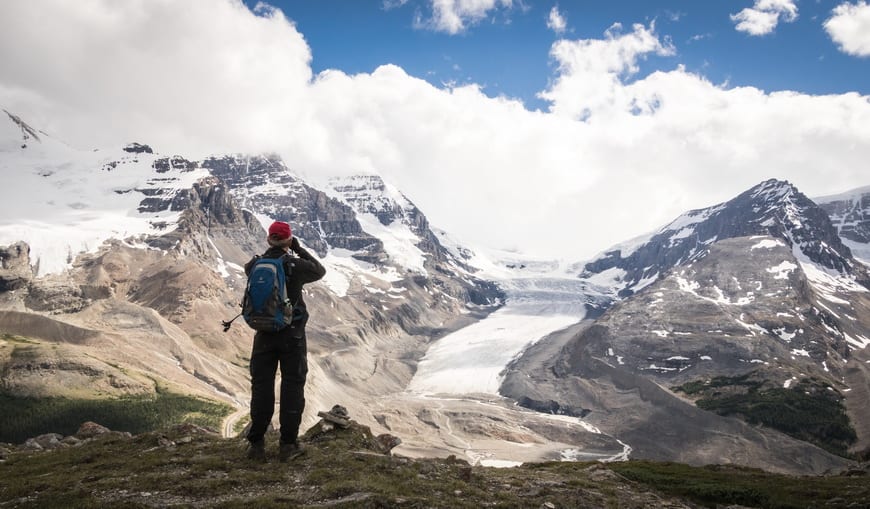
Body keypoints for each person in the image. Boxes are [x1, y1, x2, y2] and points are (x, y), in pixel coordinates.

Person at [244, 220, 325, 462]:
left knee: (261, 388)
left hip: (263, 335)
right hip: (292, 336)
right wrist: (298, 249)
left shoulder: (254, 264)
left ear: (269, 239)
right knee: (292, 388)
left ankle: (256, 445)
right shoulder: (294, 265)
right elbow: (319, 271)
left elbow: (249, 273)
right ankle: (288, 446)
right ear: (288, 240)